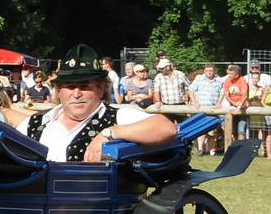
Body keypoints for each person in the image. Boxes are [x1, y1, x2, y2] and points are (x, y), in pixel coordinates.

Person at [19, 45, 177, 162]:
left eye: (85, 86)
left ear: (101, 89)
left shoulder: (116, 117)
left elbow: (166, 128)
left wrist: (109, 133)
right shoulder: (35, 122)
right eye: (70, 86)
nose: (76, 93)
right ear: (59, 89)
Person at [189, 62, 224, 154]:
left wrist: (219, 103)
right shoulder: (199, 79)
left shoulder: (219, 80)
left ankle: (211, 150)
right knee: (201, 129)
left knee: (212, 130)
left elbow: (222, 93)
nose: (209, 72)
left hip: (213, 109)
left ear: (214, 71)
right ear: (204, 71)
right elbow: (191, 90)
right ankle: (201, 149)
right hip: (200, 108)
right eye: (207, 70)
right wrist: (194, 102)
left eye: (211, 71)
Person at [220, 63, 250, 145]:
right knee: (233, 130)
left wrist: (239, 106)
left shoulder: (242, 80)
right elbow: (227, 95)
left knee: (241, 130)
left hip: (243, 107)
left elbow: (245, 95)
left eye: (231, 74)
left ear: (237, 75)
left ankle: (241, 147)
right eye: (228, 73)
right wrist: (234, 103)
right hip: (233, 107)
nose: (229, 75)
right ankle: (233, 147)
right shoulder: (226, 81)